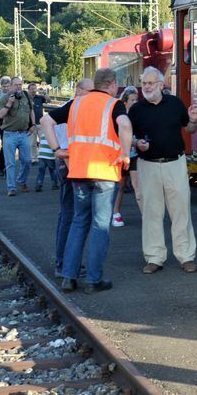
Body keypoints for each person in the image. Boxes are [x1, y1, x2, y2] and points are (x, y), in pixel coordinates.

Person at [40, 69, 132, 293]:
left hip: (79, 172)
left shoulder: (76, 104)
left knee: (79, 222)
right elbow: (126, 125)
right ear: (111, 84)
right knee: (100, 226)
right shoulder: (113, 104)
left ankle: (68, 277)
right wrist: (125, 153)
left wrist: (57, 149)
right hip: (104, 172)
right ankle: (93, 280)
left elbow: (45, 120)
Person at [128, 67, 197, 274]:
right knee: (151, 213)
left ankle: (186, 256)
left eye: (151, 83)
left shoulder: (175, 104)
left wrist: (193, 119)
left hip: (175, 163)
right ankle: (154, 257)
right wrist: (135, 142)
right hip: (148, 165)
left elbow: (189, 129)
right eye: (144, 84)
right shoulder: (136, 110)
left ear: (161, 84)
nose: (147, 87)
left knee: (181, 212)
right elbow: (127, 135)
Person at [49, 78, 93, 278]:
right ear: (79, 90)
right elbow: (66, 148)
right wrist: (76, 173)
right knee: (70, 216)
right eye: (90, 91)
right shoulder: (70, 110)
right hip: (70, 169)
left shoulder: (73, 108)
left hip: (72, 168)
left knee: (68, 216)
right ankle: (64, 264)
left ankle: (66, 262)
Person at [0, 76, 35, 196]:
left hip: (23, 134)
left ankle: (21, 180)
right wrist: (9, 103)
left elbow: (31, 110)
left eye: (20, 84)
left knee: (27, 161)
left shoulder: (26, 96)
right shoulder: (4, 98)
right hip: (9, 134)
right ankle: (11, 188)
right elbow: (1, 115)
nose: (19, 86)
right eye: (16, 84)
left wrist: (33, 124)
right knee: (10, 163)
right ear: (11, 85)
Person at [111, 87, 141, 227]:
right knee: (121, 186)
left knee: (137, 185)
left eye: (136, 100)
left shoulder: (138, 115)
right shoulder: (120, 116)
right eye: (132, 100)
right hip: (122, 155)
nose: (135, 102)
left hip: (134, 155)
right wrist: (134, 142)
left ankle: (145, 213)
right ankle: (116, 213)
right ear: (125, 102)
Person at [28, 83, 47, 163]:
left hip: (40, 123)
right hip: (31, 124)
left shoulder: (39, 98)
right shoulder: (26, 98)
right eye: (32, 89)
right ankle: (34, 159)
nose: (34, 90)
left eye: (35, 89)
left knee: (43, 142)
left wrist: (44, 93)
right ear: (28, 89)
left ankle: (43, 157)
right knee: (32, 143)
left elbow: (49, 100)